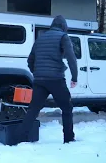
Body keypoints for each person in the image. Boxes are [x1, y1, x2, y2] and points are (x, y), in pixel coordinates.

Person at [18, 15, 78, 143]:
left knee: (33, 109)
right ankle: (69, 138)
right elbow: (71, 58)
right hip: (56, 79)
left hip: (39, 80)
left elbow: (30, 60)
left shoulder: (40, 38)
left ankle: (22, 139)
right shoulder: (63, 37)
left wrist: (37, 72)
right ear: (63, 27)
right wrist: (74, 77)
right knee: (67, 108)